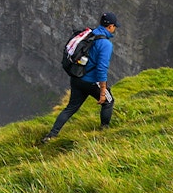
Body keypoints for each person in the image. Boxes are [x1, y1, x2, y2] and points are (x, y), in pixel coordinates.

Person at [41, 12, 117, 143]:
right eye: (114, 26)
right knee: (108, 102)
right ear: (110, 26)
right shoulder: (105, 44)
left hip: (77, 78)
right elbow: (102, 68)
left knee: (70, 108)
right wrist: (103, 90)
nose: (115, 29)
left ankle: (51, 135)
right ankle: (104, 131)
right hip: (92, 82)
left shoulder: (89, 34)